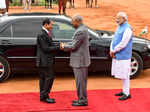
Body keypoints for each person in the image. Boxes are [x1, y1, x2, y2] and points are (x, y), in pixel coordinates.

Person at [60, 14, 90, 106]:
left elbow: (73, 46)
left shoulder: (80, 31)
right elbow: (75, 42)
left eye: (73, 22)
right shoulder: (82, 29)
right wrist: (67, 44)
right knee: (81, 82)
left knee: (80, 82)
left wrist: (63, 46)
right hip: (81, 60)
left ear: (77, 21)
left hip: (79, 61)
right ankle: (81, 98)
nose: (72, 23)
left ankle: (82, 100)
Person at [110, 12, 133, 100]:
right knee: (123, 74)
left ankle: (127, 94)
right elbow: (114, 39)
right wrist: (111, 50)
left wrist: (114, 50)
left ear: (123, 19)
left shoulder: (128, 29)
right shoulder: (119, 27)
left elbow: (123, 43)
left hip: (124, 55)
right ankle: (124, 91)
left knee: (125, 75)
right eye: (116, 18)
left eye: (118, 18)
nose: (116, 20)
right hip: (117, 54)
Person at [36, 18, 59, 103]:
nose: (52, 26)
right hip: (45, 61)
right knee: (49, 78)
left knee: (43, 78)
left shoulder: (45, 33)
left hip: (44, 60)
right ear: (46, 25)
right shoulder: (42, 34)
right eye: (51, 25)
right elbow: (46, 48)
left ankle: (43, 96)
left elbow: (49, 45)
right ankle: (45, 96)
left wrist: (57, 45)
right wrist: (58, 47)